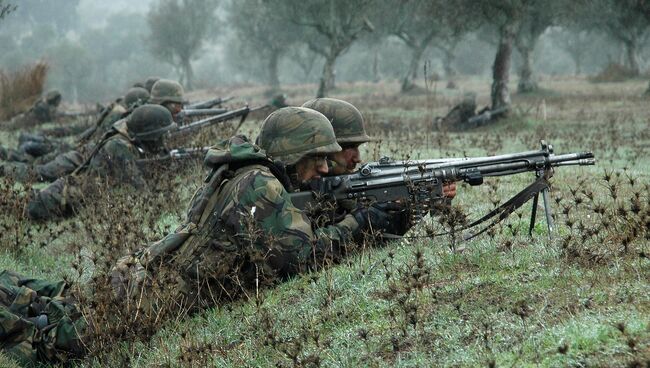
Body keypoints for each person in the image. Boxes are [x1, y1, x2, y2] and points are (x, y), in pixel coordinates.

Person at [1, 107, 399, 366]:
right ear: (294, 156)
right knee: (43, 339)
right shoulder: (261, 186)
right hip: (154, 296)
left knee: (57, 299)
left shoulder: (247, 172)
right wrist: (364, 223)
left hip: (147, 275)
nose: (327, 169)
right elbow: (301, 257)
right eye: (318, 160)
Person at [27, 104, 176, 220]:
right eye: (162, 135)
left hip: (75, 197)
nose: (164, 140)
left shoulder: (131, 140)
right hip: (56, 200)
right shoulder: (118, 147)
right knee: (22, 208)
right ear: (150, 135)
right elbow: (142, 193)